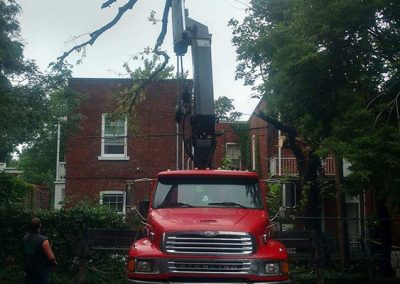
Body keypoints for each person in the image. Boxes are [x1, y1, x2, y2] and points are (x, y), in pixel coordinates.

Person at [23, 217, 57, 284]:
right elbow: (51, 257)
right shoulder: (43, 240)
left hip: (29, 269)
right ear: (40, 225)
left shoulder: (25, 238)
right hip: (41, 271)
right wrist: (54, 265)